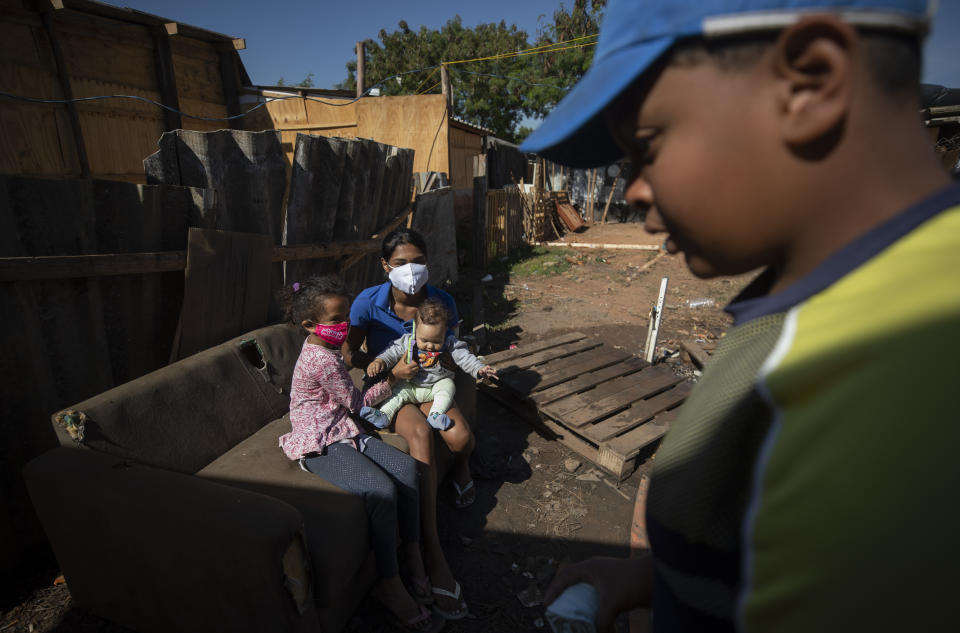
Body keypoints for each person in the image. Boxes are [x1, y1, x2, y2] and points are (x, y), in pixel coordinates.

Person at [520, 0, 960, 631]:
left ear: (809, 82)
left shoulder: (893, 372)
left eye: (646, 145)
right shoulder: (835, 298)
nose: (635, 187)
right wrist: (651, 577)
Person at [276, 275, 443, 633]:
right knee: (380, 491)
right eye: (336, 320)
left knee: (408, 470)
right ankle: (390, 583)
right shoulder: (321, 359)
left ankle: (412, 553)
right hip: (319, 438)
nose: (344, 325)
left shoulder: (328, 349)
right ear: (309, 325)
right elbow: (357, 404)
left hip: (341, 426)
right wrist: (394, 378)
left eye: (346, 316)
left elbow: (346, 409)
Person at [344, 228, 472, 620]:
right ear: (385, 266)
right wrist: (385, 368)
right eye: (400, 263)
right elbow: (351, 353)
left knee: (460, 436)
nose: (411, 270)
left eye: (418, 261)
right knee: (419, 434)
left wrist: (447, 360)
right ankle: (427, 551)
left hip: (432, 382)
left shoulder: (441, 300)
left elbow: (454, 350)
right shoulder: (368, 302)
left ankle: (462, 464)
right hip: (396, 384)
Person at [366, 298, 497, 439]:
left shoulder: (450, 344)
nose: (429, 346)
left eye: (436, 341)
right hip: (412, 385)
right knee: (397, 393)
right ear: (415, 329)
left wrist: (479, 369)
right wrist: (380, 360)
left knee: (448, 386)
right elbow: (391, 351)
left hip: (436, 385)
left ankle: (436, 415)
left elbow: (465, 357)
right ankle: (384, 415)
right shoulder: (408, 341)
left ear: (445, 332)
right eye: (424, 340)